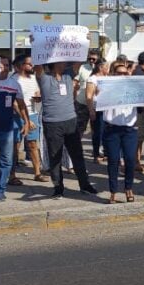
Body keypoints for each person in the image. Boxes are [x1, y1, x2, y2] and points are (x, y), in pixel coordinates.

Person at [34, 56, 97, 199]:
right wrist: (35, 44)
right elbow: (37, 63)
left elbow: (80, 60)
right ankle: (58, 187)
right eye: (62, 61)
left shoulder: (68, 75)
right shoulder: (44, 77)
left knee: (77, 155)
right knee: (55, 157)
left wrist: (84, 41)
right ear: (54, 64)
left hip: (71, 121)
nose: (66, 63)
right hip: (52, 124)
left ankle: (84, 185)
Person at [0, 56, 30, 201]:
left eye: (5, 65)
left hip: (7, 130)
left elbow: (21, 105)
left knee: (7, 161)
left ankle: (0, 190)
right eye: (0, 65)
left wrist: (26, 122)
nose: (3, 67)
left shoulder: (14, 84)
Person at [98, 61, 138, 204]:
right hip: (112, 129)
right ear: (113, 74)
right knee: (113, 161)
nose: (122, 75)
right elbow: (98, 101)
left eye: (124, 73)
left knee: (130, 160)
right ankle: (113, 191)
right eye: (118, 73)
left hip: (129, 129)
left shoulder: (134, 88)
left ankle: (128, 188)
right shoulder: (106, 88)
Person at [13, 55, 49, 182]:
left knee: (33, 144)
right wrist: (26, 120)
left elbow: (37, 92)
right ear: (21, 66)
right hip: (17, 116)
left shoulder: (34, 78)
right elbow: (14, 102)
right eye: (29, 64)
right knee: (15, 146)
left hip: (33, 113)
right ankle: (12, 175)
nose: (32, 66)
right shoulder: (14, 80)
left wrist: (39, 95)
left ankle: (37, 173)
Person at [83, 60, 109, 164]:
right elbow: (89, 96)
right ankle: (96, 154)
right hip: (97, 109)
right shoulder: (92, 79)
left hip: (107, 108)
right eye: (106, 67)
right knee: (98, 132)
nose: (108, 69)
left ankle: (106, 153)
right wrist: (91, 110)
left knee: (107, 132)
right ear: (100, 67)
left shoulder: (107, 78)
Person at [72, 49, 100, 137]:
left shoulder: (103, 68)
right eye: (89, 59)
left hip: (97, 105)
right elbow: (75, 82)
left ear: (99, 58)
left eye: (93, 59)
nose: (91, 61)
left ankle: (96, 149)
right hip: (81, 103)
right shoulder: (82, 67)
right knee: (79, 128)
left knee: (97, 130)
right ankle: (76, 148)